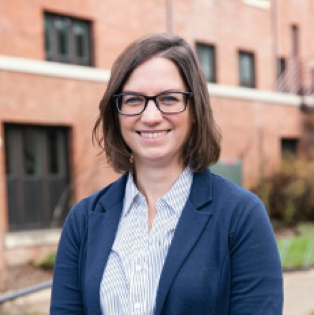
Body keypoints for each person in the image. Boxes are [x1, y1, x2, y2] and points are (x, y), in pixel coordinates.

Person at [50, 33, 283, 314]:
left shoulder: (241, 215)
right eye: (134, 100)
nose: (150, 116)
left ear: (195, 110)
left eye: (169, 98)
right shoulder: (83, 220)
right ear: (116, 112)